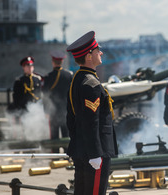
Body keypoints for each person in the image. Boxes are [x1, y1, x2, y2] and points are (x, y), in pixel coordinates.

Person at [66, 31, 118, 195]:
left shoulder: (78, 80)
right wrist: (96, 154)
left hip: (82, 149)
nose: (101, 53)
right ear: (89, 56)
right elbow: (91, 122)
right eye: (97, 50)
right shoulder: (91, 84)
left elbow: (71, 120)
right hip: (94, 153)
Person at [43, 51, 73, 153]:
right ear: (62, 62)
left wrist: (46, 111)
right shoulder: (68, 76)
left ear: (53, 62)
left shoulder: (48, 77)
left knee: (54, 136)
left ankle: (55, 156)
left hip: (53, 111)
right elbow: (71, 94)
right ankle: (68, 155)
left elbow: (45, 96)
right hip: (65, 110)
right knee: (66, 135)